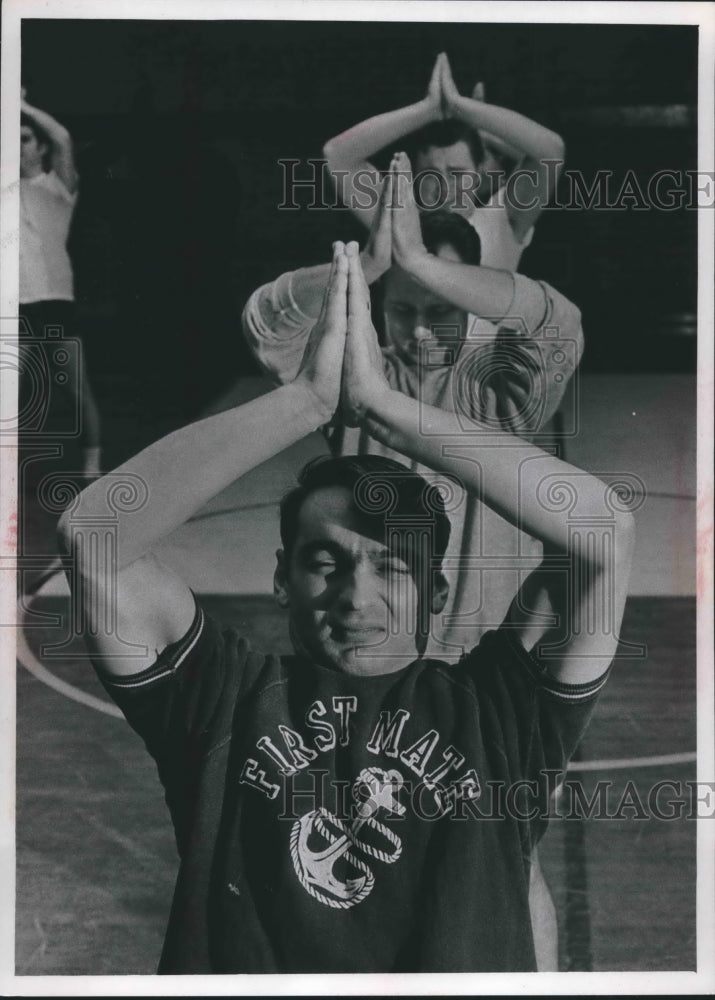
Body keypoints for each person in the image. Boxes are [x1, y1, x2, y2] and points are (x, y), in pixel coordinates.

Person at [59, 244, 634, 973]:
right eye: (325, 563)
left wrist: (388, 411)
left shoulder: (502, 711)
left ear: (438, 593)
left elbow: (601, 529)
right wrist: (304, 400)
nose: (356, 596)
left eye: (393, 568)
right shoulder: (221, 701)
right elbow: (92, 533)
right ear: (281, 579)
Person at [244, 153, 583, 658]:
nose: (421, 330)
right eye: (402, 309)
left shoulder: (502, 391)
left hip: (483, 656)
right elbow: (267, 321)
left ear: (468, 296)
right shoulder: (355, 380)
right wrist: (368, 264)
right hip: (379, 648)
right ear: (380, 305)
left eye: (440, 308)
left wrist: (422, 264)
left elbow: (560, 322)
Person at [323, 52, 565, 272]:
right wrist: (429, 109)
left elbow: (550, 151)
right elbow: (337, 155)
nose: (444, 188)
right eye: (431, 174)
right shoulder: (400, 227)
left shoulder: (502, 223)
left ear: (478, 173)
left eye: (456, 174)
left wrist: (462, 108)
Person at [20, 90, 102, 476]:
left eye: (25, 139)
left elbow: (63, 137)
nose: (18, 148)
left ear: (40, 148)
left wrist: (17, 105)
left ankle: (92, 463)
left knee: (75, 388)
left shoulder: (59, 187)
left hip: (54, 302)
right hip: (14, 305)